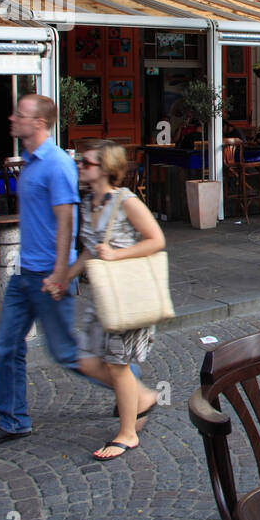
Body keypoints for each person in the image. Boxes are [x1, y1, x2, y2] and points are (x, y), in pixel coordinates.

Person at [0, 95, 89, 449]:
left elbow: (66, 221)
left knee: (66, 352)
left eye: (20, 115)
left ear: (38, 123)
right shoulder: (30, 161)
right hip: (25, 274)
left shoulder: (55, 164)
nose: (11, 118)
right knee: (8, 345)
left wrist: (60, 274)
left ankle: (130, 386)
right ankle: (13, 420)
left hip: (47, 276)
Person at [63, 140, 165, 461]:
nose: (80, 166)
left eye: (87, 163)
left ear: (105, 168)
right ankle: (144, 396)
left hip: (128, 295)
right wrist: (64, 277)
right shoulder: (87, 202)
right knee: (85, 361)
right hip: (103, 296)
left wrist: (118, 253)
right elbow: (93, 248)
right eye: (80, 161)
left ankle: (127, 433)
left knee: (117, 365)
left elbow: (156, 240)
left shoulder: (126, 201)